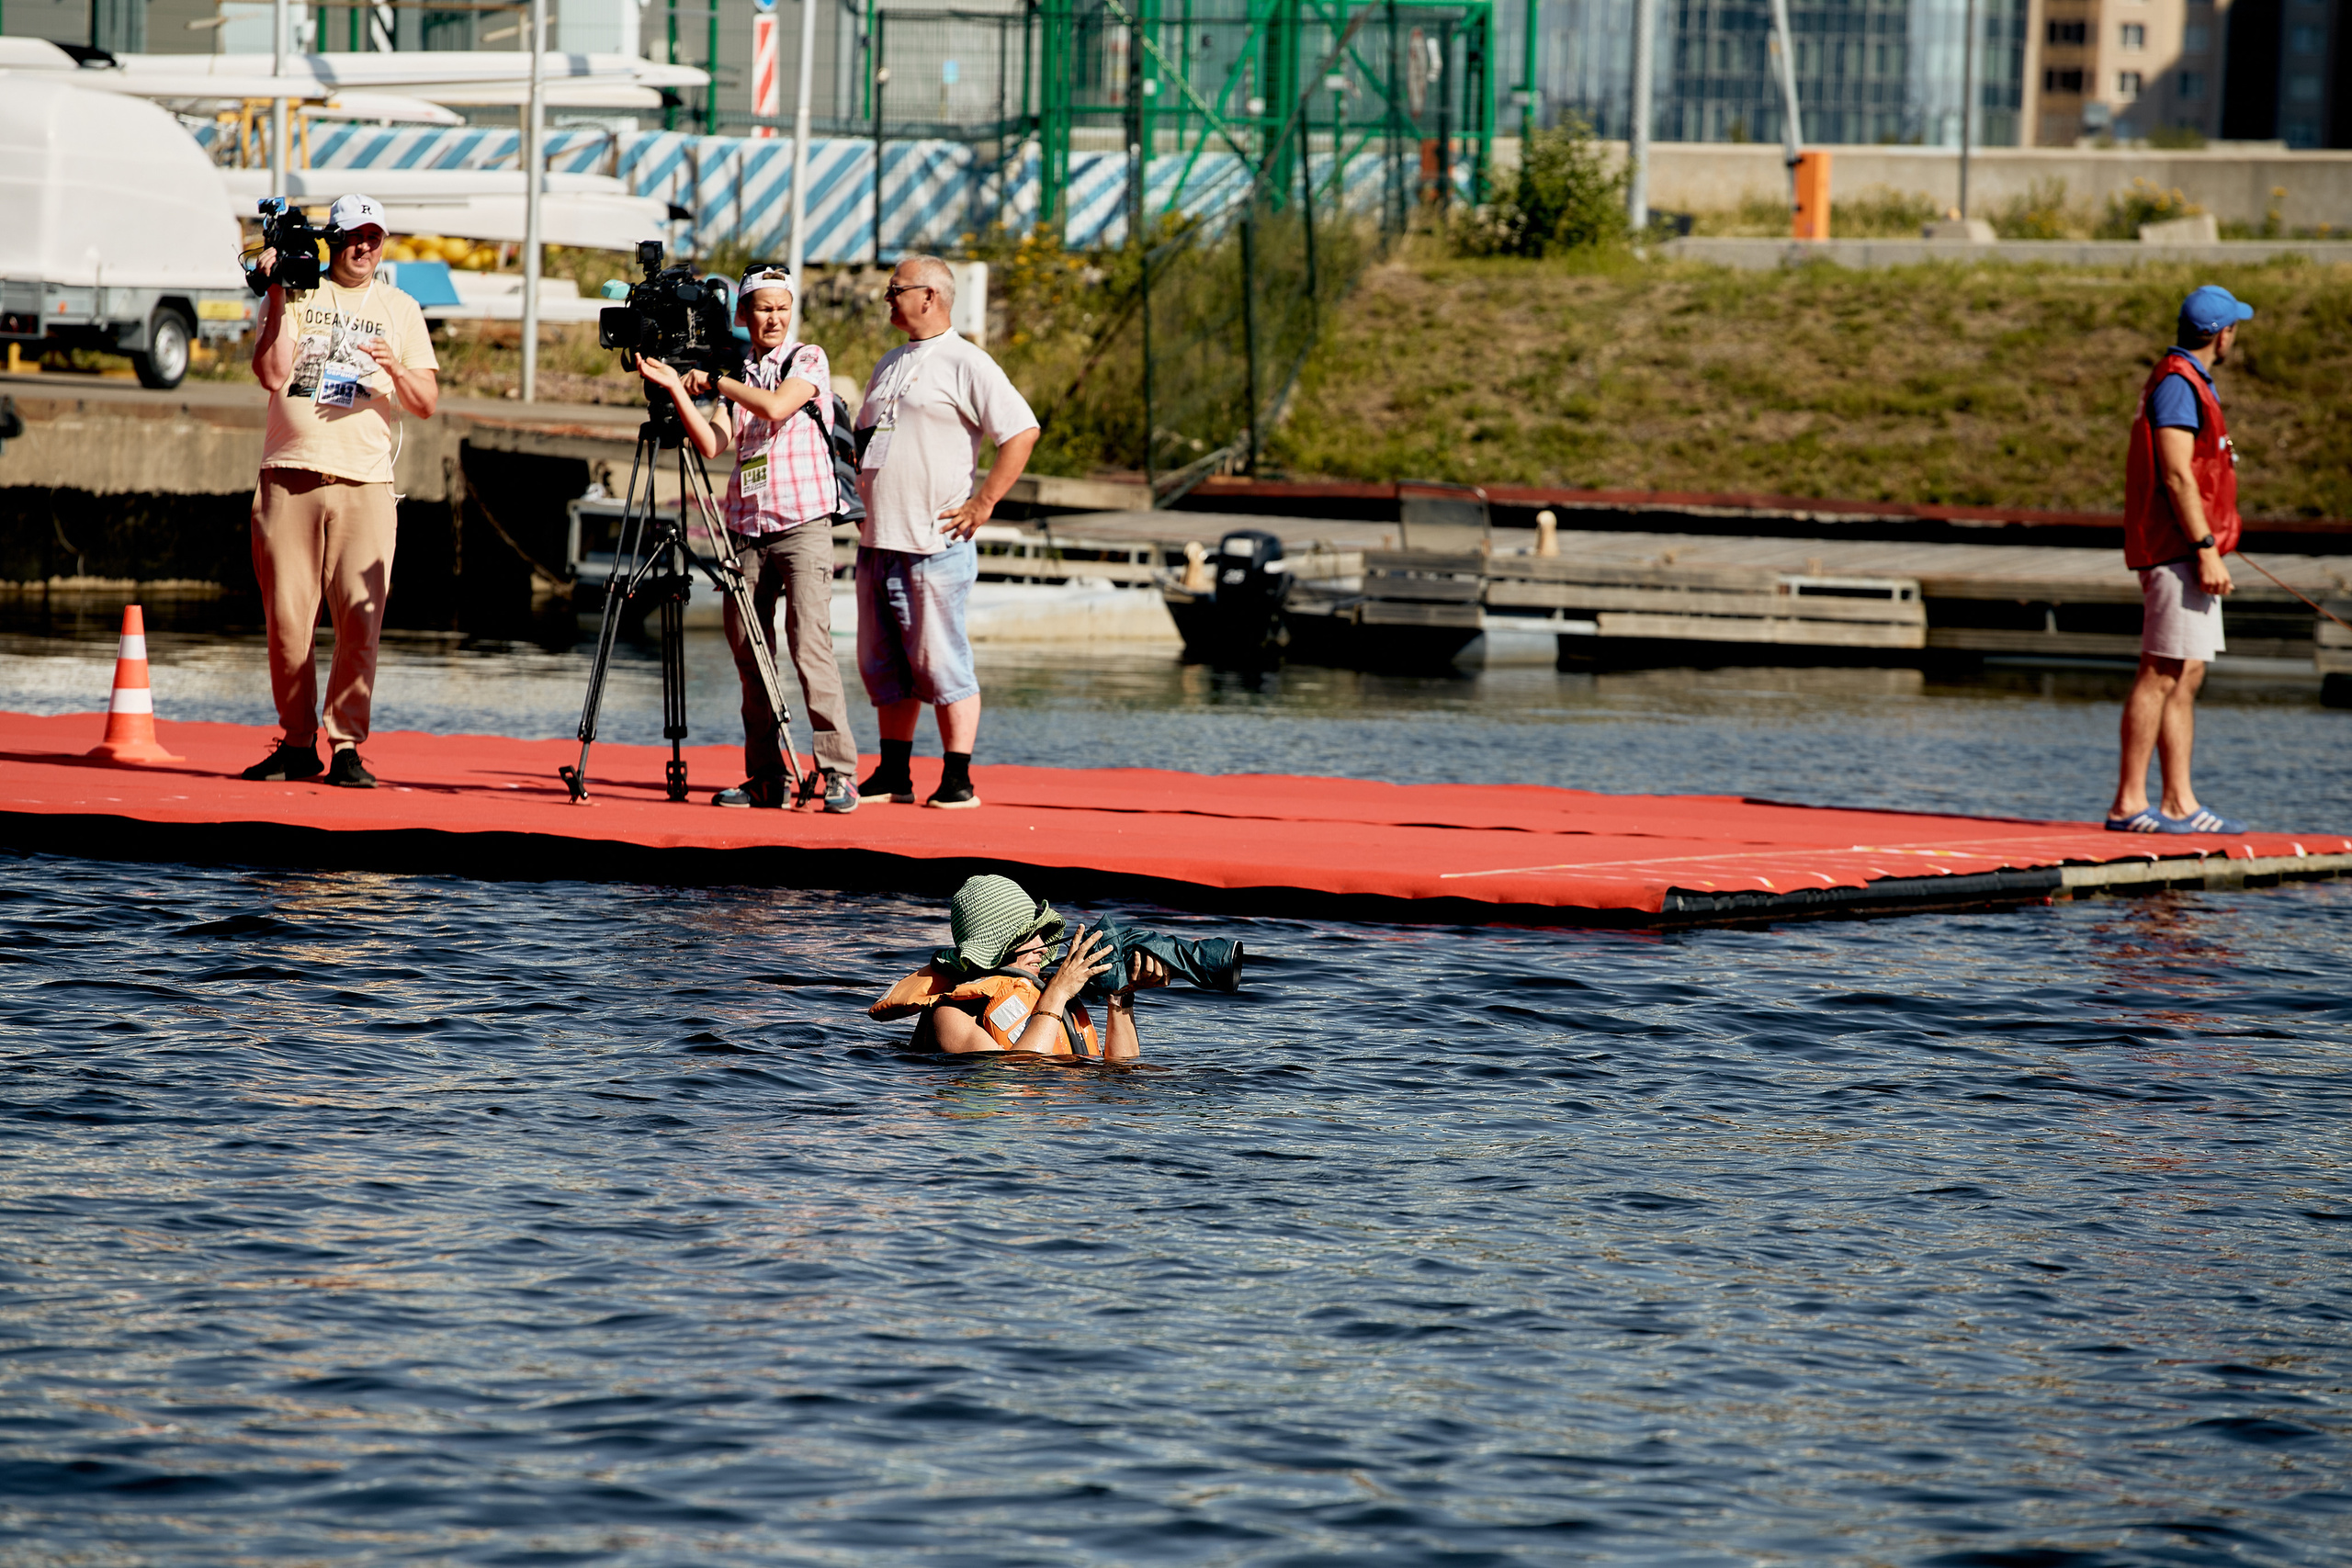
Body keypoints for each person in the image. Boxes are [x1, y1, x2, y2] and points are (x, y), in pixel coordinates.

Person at [637, 264, 860, 812]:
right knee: (749, 654)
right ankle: (765, 776)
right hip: (747, 527)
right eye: (764, 308)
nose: (775, 318)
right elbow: (715, 442)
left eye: (782, 308)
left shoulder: (807, 358)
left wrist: (715, 381)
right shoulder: (738, 371)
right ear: (744, 314)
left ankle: (837, 772)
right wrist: (677, 391)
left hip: (803, 522)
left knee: (810, 647)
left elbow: (778, 407)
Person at [240, 193, 439, 790]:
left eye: (375, 236)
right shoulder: (297, 294)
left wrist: (394, 368)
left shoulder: (400, 307)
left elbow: (426, 402)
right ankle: (297, 742)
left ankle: (347, 742)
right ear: (333, 238)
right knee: (288, 620)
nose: (365, 246)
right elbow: (273, 374)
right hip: (290, 474)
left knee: (360, 618)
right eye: (354, 235)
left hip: (366, 483)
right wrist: (275, 292)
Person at [851, 255, 1042, 809]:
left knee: (940, 661)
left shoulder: (966, 361)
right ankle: (893, 772)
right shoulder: (890, 361)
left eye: (895, 290)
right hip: (878, 538)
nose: (888, 299)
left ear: (930, 296)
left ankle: (958, 778)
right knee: (882, 664)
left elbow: (1021, 430)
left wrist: (983, 502)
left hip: (933, 543)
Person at [2106, 284, 2251, 836]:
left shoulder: (2190, 381)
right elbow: (2174, 473)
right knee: (2159, 671)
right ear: (2221, 334)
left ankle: (2179, 803)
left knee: (2185, 674)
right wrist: (2206, 549)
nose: (2237, 335)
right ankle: (2127, 803)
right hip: (2177, 550)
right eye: (2235, 327)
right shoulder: (2177, 385)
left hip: (2189, 548)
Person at [867, 874, 1168, 1061]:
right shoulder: (950, 1015)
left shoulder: (1044, 994)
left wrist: (1121, 995)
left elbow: (1123, 1074)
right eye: (1027, 936)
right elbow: (1022, 1078)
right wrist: (1059, 991)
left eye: (1041, 932)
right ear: (993, 948)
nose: (1041, 945)